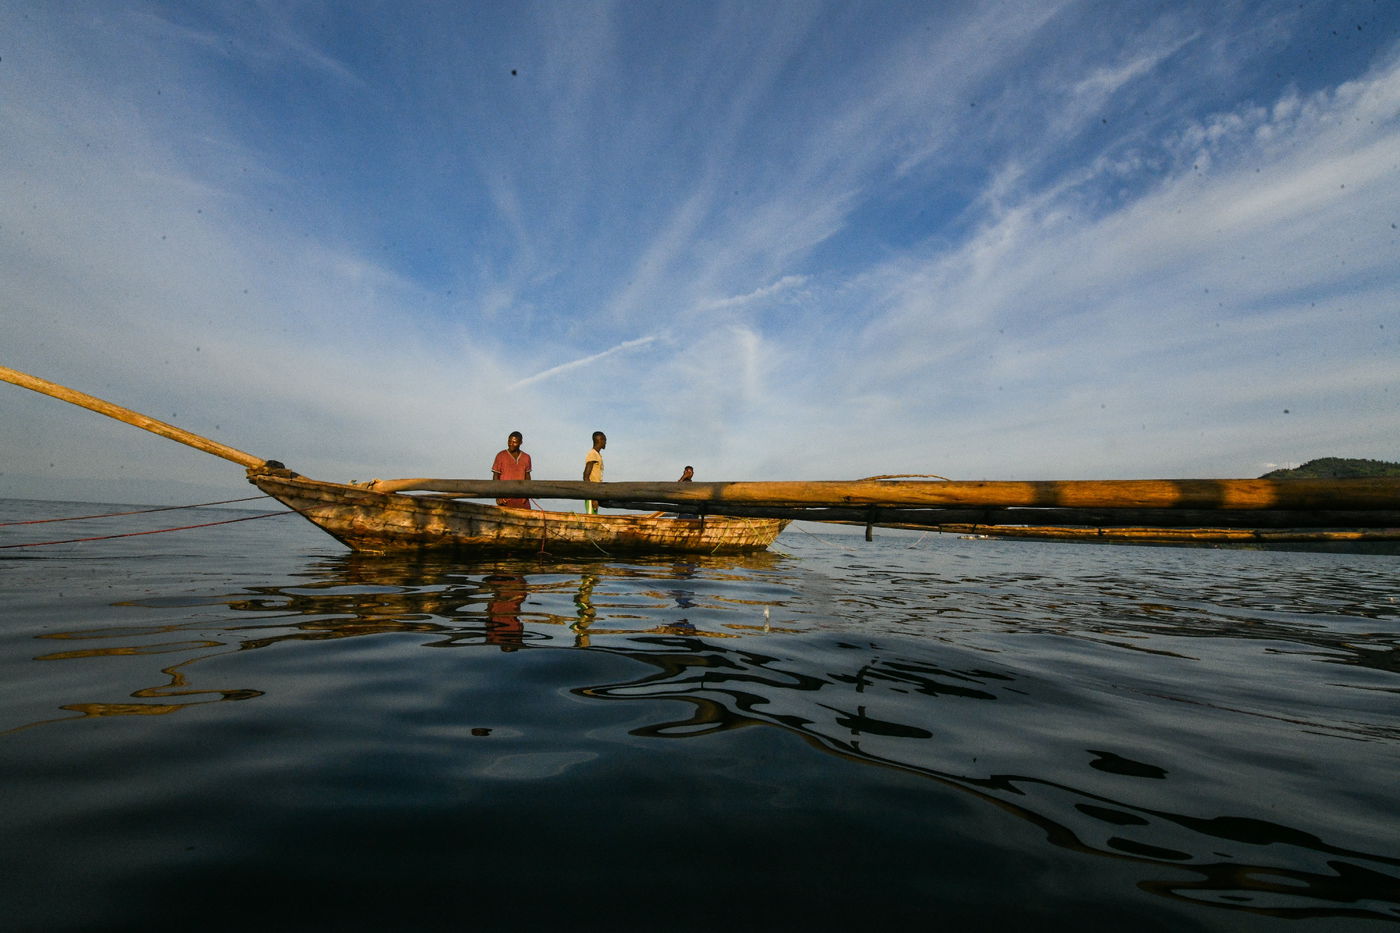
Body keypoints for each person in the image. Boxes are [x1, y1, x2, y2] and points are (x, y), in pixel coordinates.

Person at [491, 431, 532, 508]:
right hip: (505, 499)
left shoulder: (526, 457)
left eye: (514, 442)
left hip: (522, 499)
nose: (511, 444)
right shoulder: (501, 455)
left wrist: (526, 495)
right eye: (509, 441)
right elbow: (495, 476)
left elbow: (528, 477)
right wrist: (498, 496)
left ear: (520, 443)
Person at [583, 431, 606, 514]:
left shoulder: (597, 455)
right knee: (590, 518)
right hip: (591, 494)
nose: (605, 443)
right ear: (600, 440)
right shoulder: (592, 454)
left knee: (594, 517)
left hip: (595, 492)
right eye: (605, 440)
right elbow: (586, 476)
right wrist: (592, 497)